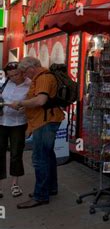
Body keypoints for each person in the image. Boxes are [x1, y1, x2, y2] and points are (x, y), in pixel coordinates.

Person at [11, 57, 64, 209]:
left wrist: (21, 103)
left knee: (40, 158)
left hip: (45, 122)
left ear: (32, 67)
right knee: (48, 156)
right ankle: (50, 188)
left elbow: (41, 100)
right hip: (45, 120)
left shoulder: (43, 78)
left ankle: (40, 195)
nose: (24, 75)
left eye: (25, 71)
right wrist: (26, 106)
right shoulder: (42, 76)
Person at [0, 62, 30, 198]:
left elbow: (34, 103)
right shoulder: (5, 83)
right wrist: (7, 104)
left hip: (18, 124)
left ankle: (15, 184)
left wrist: (26, 108)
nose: (14, 78)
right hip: (1, 122)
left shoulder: (30, 84)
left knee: (16, 153)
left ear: (22, 72)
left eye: (16, 74)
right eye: (10, 75)